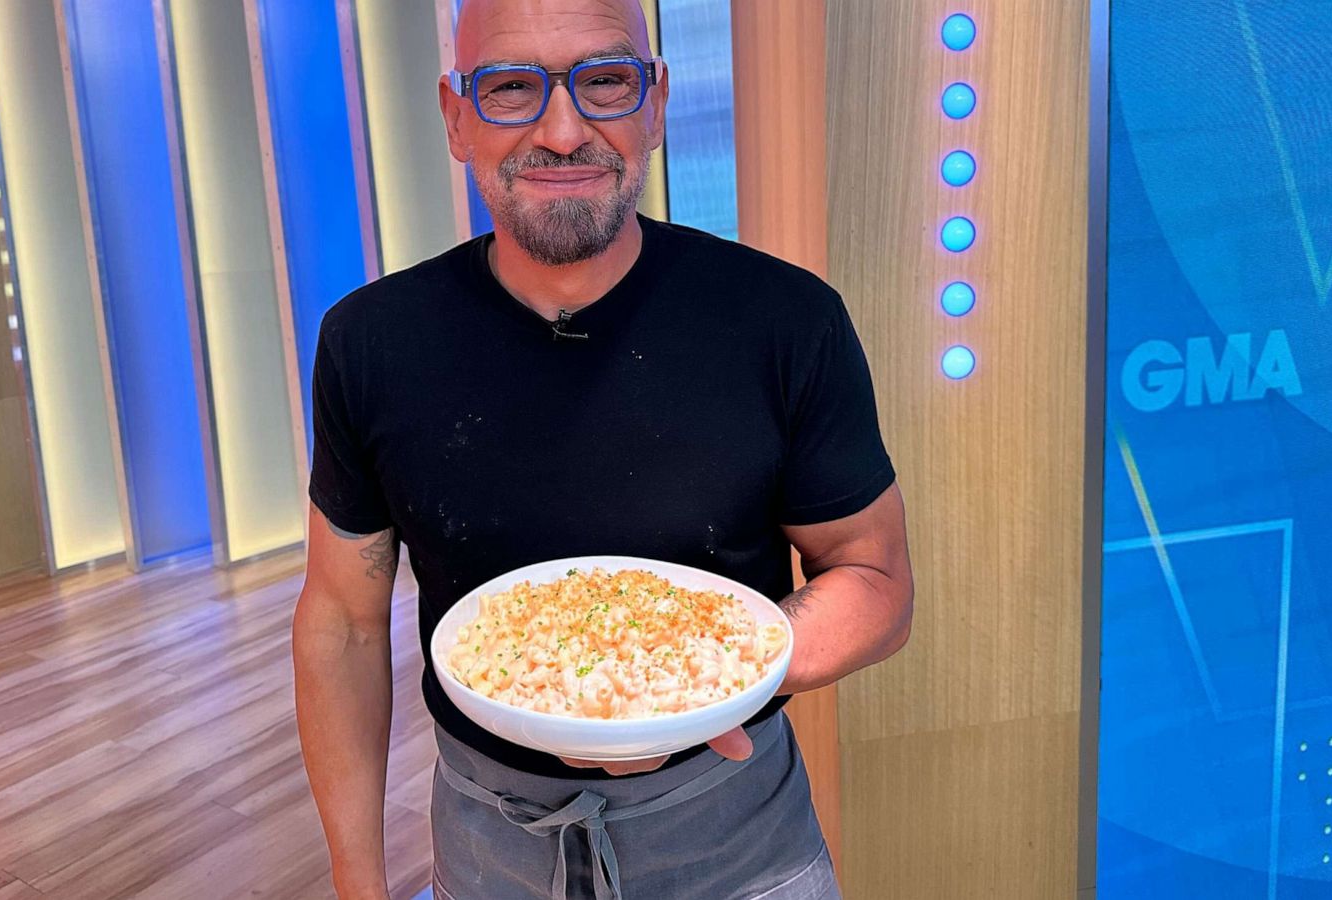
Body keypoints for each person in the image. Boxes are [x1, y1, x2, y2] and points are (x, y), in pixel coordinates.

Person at [292, 0, 914, 896]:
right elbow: (343, 624)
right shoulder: (370, 342)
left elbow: (877, 580)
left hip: (740, 845)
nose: (562, 129)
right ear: (456, 116)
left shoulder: (784, 320)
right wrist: (358, 882)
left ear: (655, 102)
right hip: (484, 847)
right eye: (508, 87)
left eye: (606, 79)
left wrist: (694, 688)